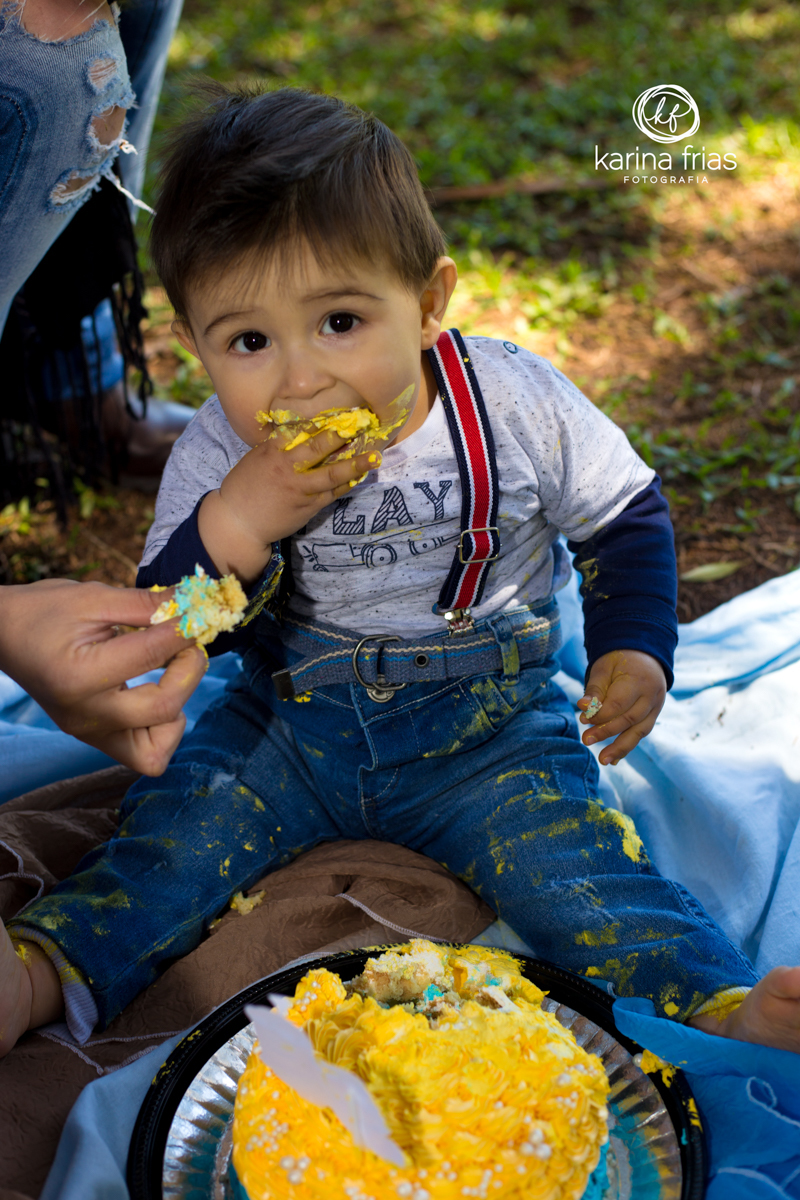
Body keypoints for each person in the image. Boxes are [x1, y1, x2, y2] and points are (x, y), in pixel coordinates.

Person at [3, 84, 799, 1058]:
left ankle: (714, 1004)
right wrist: (241, 522)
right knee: (173, 843)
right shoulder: (218, 457)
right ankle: (43, 970)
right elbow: (185, 620)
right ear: (196, 342)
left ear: (425, 304)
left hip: (488, 735)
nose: (299, 377)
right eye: (248, 341)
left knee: (575, 868)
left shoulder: (510, 403)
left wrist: (635, 647)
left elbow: (622, 517)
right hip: (289, 728)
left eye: (339, 321)